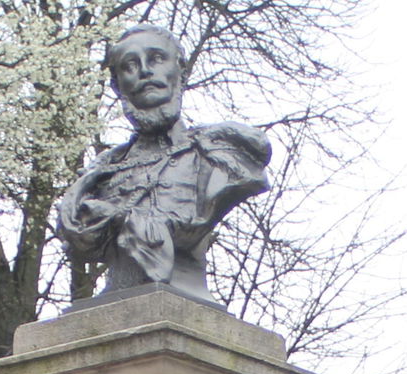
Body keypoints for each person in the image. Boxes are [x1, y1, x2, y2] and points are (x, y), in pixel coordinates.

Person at [52, 23, 272, 302]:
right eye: (130, 65)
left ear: (181, 70)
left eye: (156, 58)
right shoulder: (98, 177)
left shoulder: (222, 153)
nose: (144, 70)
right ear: (117, 85)